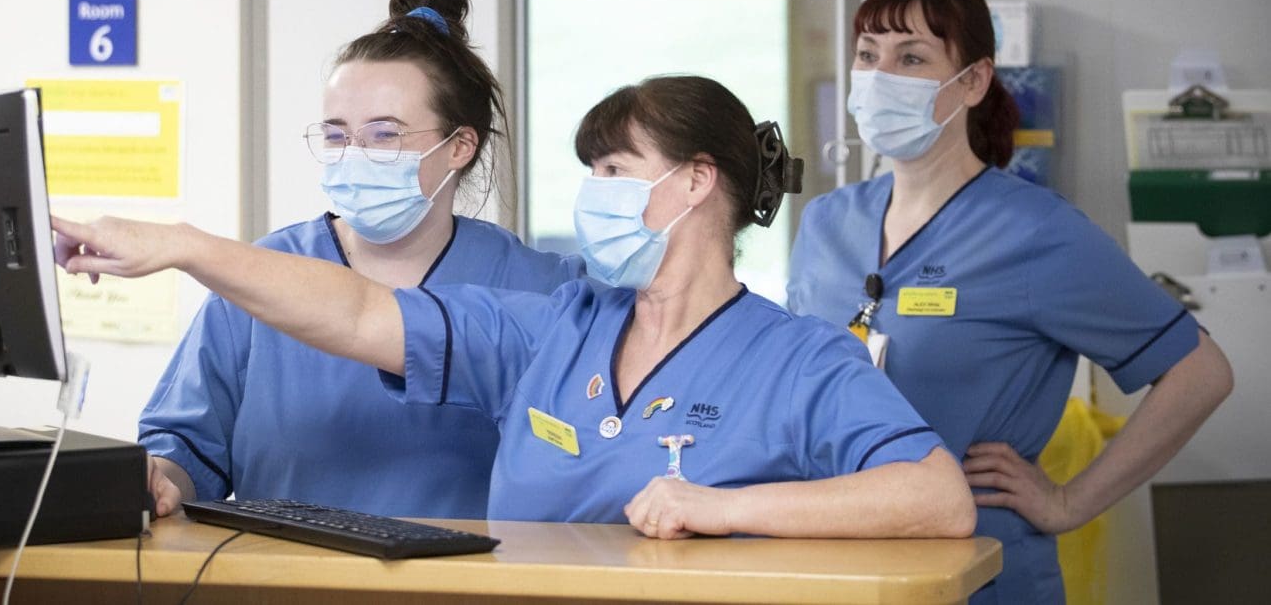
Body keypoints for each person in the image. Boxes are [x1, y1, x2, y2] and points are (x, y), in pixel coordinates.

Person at [56, 75, 977, 540]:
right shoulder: (553, 325)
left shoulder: (798, 358)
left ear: (698, 183)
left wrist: (728, 509)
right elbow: (358, 314)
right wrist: (184, 245)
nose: (594, 193)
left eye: (615, 171)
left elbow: (936, 497)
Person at [786, 0, 1234, 601]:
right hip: (837, 565)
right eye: (868, 55)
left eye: (911, 57)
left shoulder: (1035, 232)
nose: (879, 76)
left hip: (978, 575)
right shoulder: (827, 222)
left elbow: (1201, 373)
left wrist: (1070, 502)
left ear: (972, 81)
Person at [134, 0, 585, 520]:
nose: (353, 155)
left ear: (460, 146)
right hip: (279, 578)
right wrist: (162, 478)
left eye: (384, 134)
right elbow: (185, 448)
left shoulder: (538, 287)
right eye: (335, 134)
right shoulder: (261, 279)